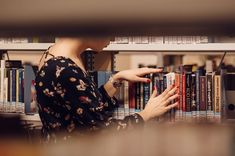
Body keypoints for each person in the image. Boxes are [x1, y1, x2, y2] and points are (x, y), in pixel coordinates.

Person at [35, 37, 179, 141]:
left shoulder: (54, 52)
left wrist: (117, 79)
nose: (113, 38)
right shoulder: (65, 69)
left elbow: (85, 109)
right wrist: (146, 114)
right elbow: (100, 130)